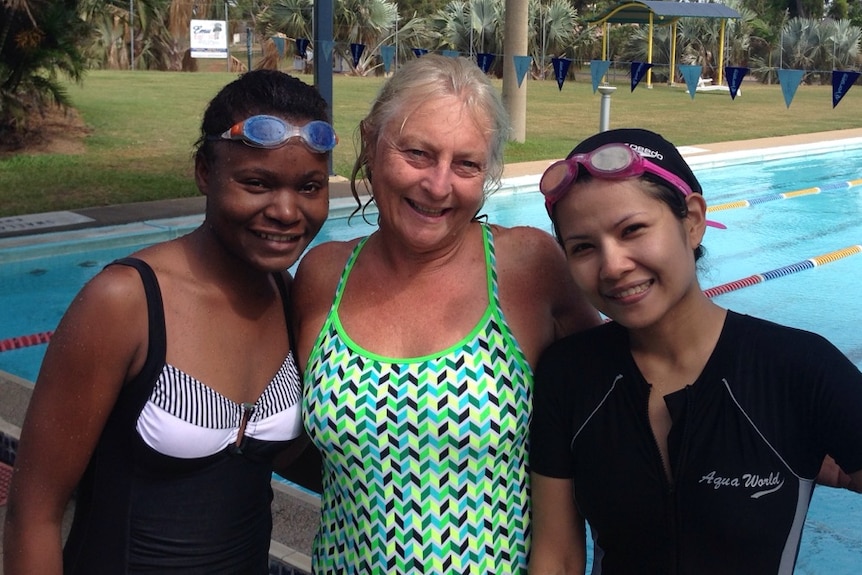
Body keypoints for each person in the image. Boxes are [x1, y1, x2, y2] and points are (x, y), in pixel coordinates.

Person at [3, 69, 336, 574]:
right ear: (205, 171)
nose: (287, 211)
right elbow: (34, 515)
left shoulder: (286, 298)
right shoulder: (125, 303)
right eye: (256, 183)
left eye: (309, 186)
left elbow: (282, 455)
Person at [291, 54, 600, 574]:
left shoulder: (528, 269)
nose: (437, 186)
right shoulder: (323, 276)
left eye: (466, 164)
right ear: (370, 141)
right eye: (416, 153)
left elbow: (610, 404)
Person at [528, 128, 862, 574]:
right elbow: (559, 558)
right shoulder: (569, 376)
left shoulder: (797, 369)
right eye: (583, 247)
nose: (612, 266)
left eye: (633, 230)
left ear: (692, 220)